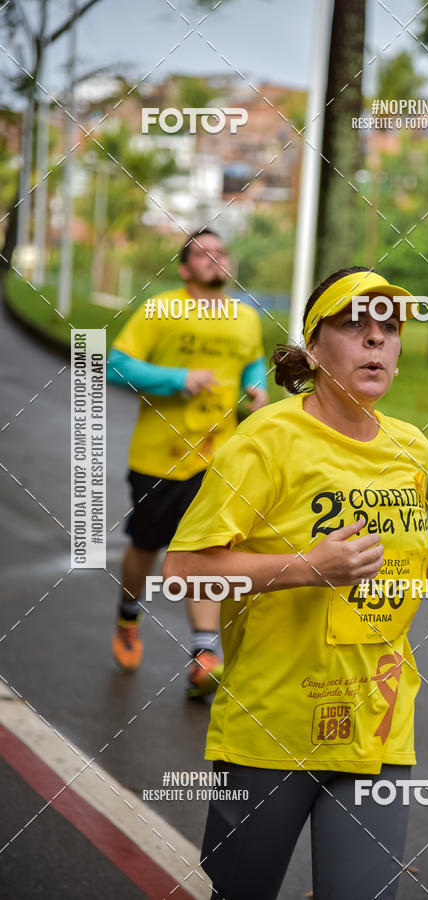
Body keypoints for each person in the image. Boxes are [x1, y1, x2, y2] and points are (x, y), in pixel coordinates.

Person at [163, 267, 428, 899]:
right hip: (272, 724)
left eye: (389, 329)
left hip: (379, 722)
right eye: (355, 326)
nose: (375, 341)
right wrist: (307, 568)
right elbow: (183, 571)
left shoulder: (410, 447)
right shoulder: (266, 442)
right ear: (313, 346)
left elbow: (402, 563)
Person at [107, 228, 269, 696]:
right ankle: (127, 616)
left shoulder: (245, 317)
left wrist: (255, 390)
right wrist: (178, 378)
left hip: (220, 456)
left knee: (207, 550)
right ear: (183, 268)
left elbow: (251, 364)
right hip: (162, 455)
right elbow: (117, 364)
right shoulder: (161, 309)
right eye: (204, 253)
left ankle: (204, 654)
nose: (216, 259)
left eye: (221, 252)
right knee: (146, 546)